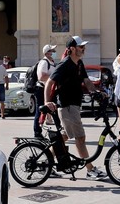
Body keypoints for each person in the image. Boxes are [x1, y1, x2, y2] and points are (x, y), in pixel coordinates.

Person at [44, 36, 105, 179]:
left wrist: (96, 92)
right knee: (80, 138)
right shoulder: (65, 64)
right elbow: (49, 83)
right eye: (80, 47)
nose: (83, 49)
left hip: (74, 106)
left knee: (63, 137)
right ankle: (90, 169)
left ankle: (46, 165)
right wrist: (47, 102)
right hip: (67, 106)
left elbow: (86, 81)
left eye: (84, 46)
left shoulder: (79, 63)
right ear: (72, 49)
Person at [31, 44, 57, 138]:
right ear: (47, 53)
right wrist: (53, 80)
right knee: (40, 110)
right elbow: (41, 76)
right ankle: (37, 132)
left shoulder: (52, 62)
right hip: (41, 89)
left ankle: (58, 130)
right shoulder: (44, 62)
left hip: (49, 89)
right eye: (52, 51)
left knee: (53, 109)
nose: (54, 53)